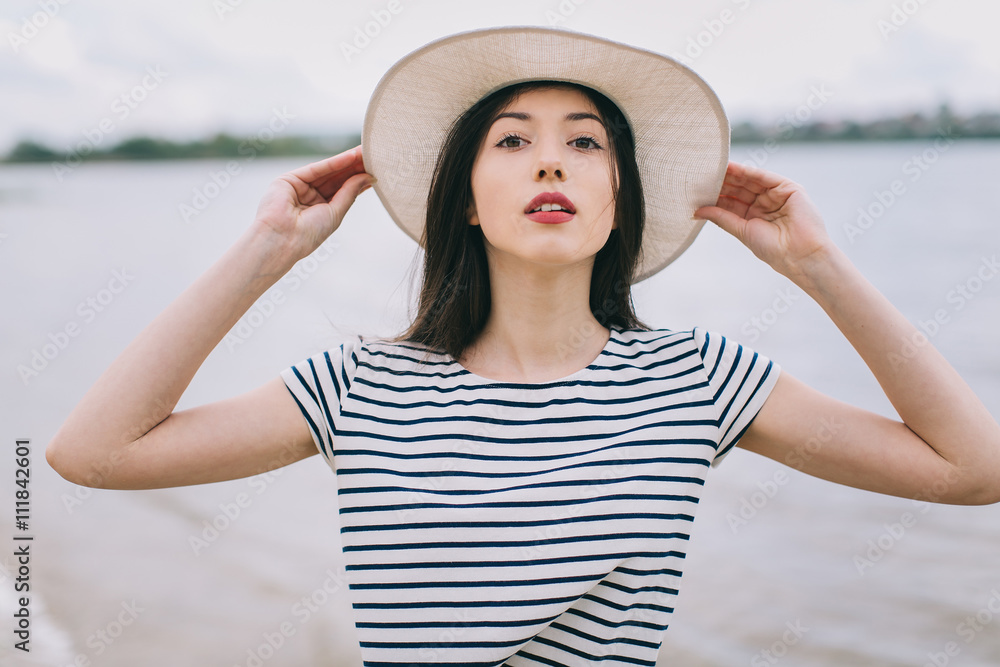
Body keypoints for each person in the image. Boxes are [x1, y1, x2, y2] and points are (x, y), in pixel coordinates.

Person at [47, 26, 1000, 666]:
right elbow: (92, 453)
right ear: (463, 197)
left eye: (586, 144)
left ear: (620, 192)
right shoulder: (364, 386)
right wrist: (265, 252)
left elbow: (970, 468)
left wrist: (821, 264)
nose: (551, 159)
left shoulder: (697, 378)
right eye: (512, 141)